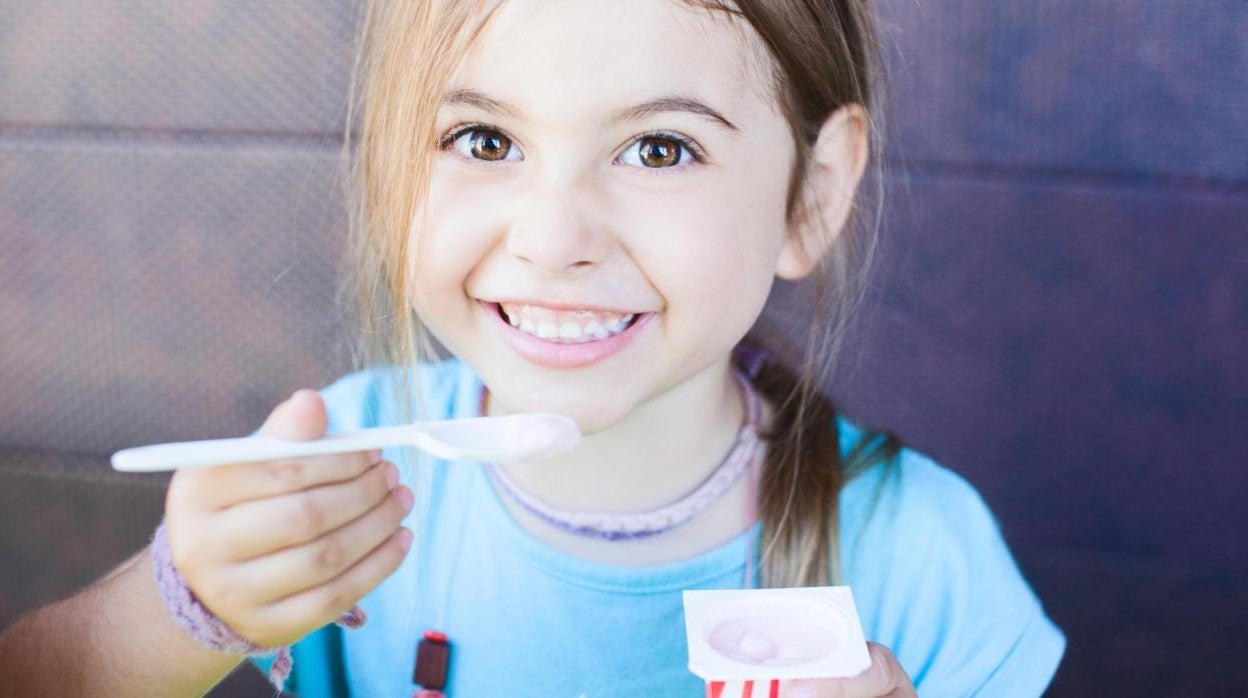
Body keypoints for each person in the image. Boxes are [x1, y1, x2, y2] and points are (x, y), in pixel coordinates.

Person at [0, 0, 1066, 695]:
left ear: (812, 193)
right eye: (484, 140)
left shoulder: (925, 558)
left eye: (660, 147)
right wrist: (180, 603)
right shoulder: (351, 465)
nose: (552, 237)